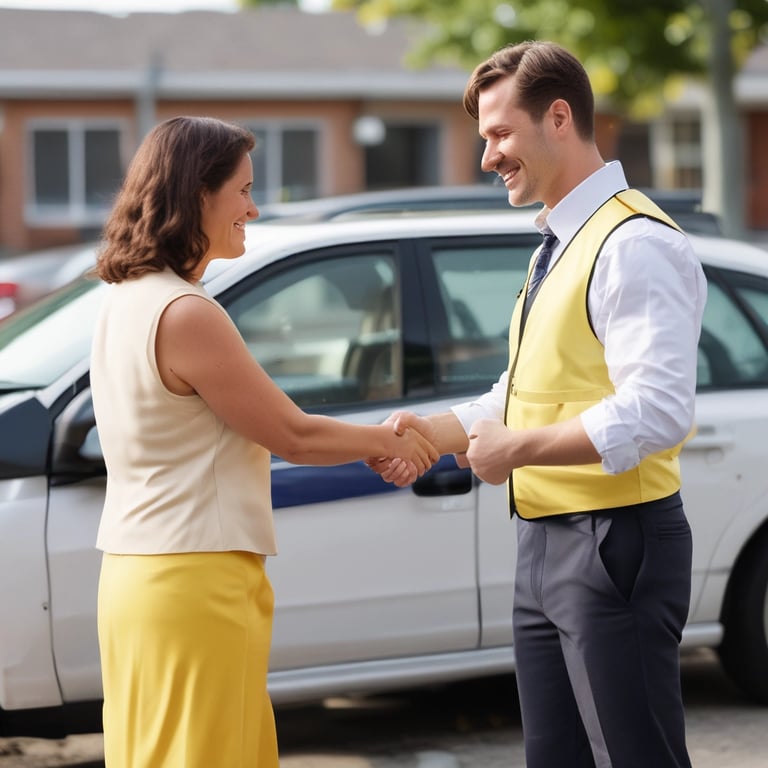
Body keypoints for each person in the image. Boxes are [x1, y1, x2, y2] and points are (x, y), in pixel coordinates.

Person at [369, 41, 706, 768]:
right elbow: (521, 392)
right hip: (547, 542)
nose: (487, 156)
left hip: (615, 541)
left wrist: (516, 450)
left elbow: (657, 410)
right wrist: (437, 431)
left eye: (499, 135)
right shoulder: (558, 241)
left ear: (559, 118)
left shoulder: (632, 244)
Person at [89, 115, 438, 768]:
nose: (252, 207)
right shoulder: (186, 312)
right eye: (243, 190)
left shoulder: (123, 299)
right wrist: (394, 441)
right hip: (196, 578)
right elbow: (292, 434)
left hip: (139, 576)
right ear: (197, 193)